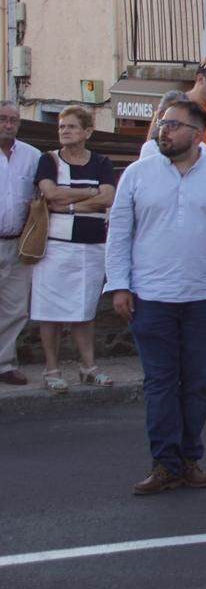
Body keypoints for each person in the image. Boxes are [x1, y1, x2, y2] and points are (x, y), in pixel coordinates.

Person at [106, 99, 206, 493]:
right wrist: (119, 285)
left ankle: (190, 458)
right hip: (150, 297)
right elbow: (119, 234)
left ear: (197, 134)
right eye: (161, 123)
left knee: (198, 382)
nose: (163, 131)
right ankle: (164, 463)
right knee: (160, 382)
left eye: (173, 124)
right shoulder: (137, 174)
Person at [32, 105, 118, 391]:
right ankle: (51, 369)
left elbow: (107, 198)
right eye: (61, 127)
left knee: (85, 309)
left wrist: (69, 205)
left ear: (87, 131)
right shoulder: (49, 161)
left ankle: (88, 367)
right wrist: (90, 193)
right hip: (55, 246)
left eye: (71, 126)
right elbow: (51, 194)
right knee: (50, 310)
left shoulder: (101, 163)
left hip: (91, 246)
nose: (64, 131)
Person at [0, 102, 41, 386]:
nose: (8, 124)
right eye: (2, 119)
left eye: (13, 119)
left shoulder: (32, 156)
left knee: (15, 308)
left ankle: (4, 363)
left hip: (18, 243)